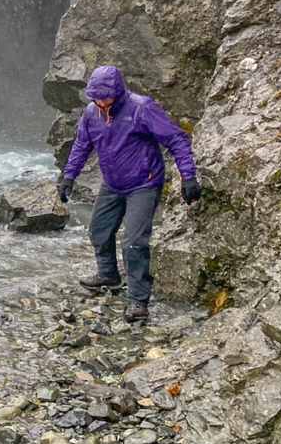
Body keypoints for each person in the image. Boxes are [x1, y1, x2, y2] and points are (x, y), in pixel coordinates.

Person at [57, 65, 201, 322]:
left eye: (104, 96)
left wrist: (187, 177)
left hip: (143, 184)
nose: (100, 101)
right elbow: (81, 145)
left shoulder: (141, 108)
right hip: (112, 184)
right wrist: (69, 176)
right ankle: (109, 275)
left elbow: (177, 139)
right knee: (98, 231)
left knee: (133, 243)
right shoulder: (92, 113)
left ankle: (138, 300)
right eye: (95, 96)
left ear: (118, 91)